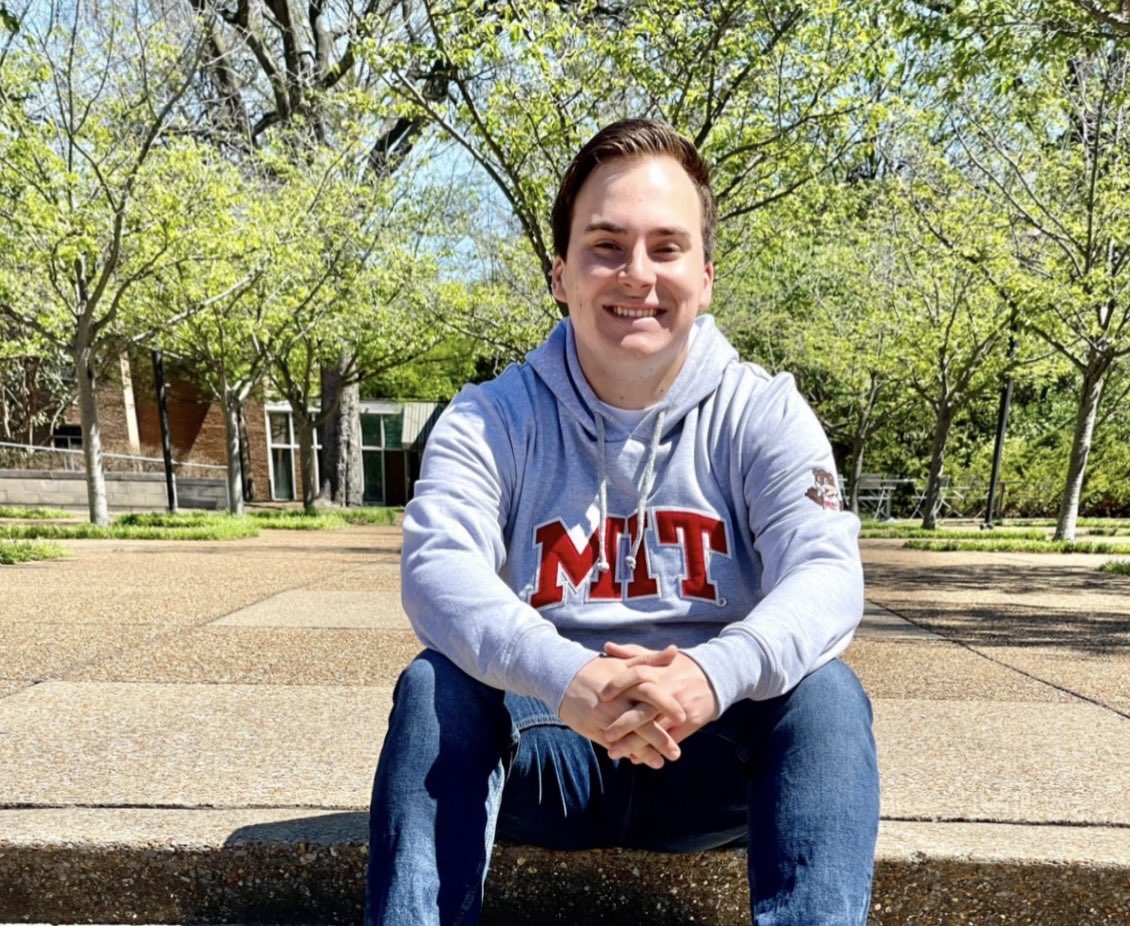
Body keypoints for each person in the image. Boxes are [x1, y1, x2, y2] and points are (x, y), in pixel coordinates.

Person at [366, 118, 879, 926]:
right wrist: (568, 678)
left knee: (828, 697)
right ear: (560, 273)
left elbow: (826, 574)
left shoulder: (764, 411)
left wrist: (712, 676)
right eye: (606, 245)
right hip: (547, 746)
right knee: (435, 688)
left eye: (666, 248)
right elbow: (437, 572)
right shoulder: (491, 418)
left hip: (714, 756)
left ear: (705, 276)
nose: (636, 274)